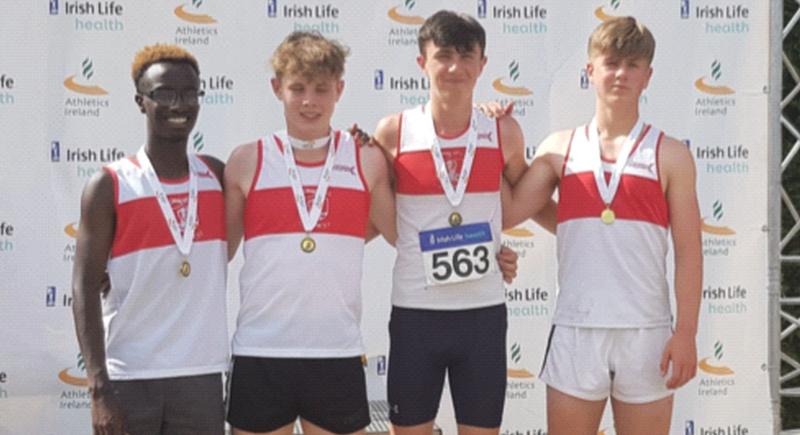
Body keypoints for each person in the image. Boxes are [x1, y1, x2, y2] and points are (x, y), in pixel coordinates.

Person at [504, 16, 702, 435]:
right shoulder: (559, 148)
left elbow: (689, 251)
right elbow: (512, 211)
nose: (621, 74)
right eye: (611, 63)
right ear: (589, 70)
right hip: (577, 328)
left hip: (646, 332)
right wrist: (504, 143)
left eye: (632, 65)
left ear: (648, 76)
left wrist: (685, 333)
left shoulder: (670, 155)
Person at [223, 31, 396, 435]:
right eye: (297, 88)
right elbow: (216, 253)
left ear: (339, 90)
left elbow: (403, 234)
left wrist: (487, 246)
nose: (309, 101)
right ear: (276, 89)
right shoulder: (247, 160)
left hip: (335, 351)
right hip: (261, 351)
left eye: (321, 89)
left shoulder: (367, 158)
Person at [371, 11, 528, 435]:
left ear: (482, 64)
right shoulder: (393, 132)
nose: (455, 67)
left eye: (466, 56)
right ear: (422, 63)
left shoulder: (504, 132)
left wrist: (500, 245)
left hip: (482, 315)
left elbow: (518, 200)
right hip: (416, 313)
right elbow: (377, 212)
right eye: (443, 56)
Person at [71, 43, 228, 435]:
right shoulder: (109, 185)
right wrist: (98, 388)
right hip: (130, 377)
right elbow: (84, 286)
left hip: (201, 376)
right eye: (165, 94)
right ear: (141, 101)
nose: (180, 105)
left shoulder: (218, 176)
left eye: (190, 93)